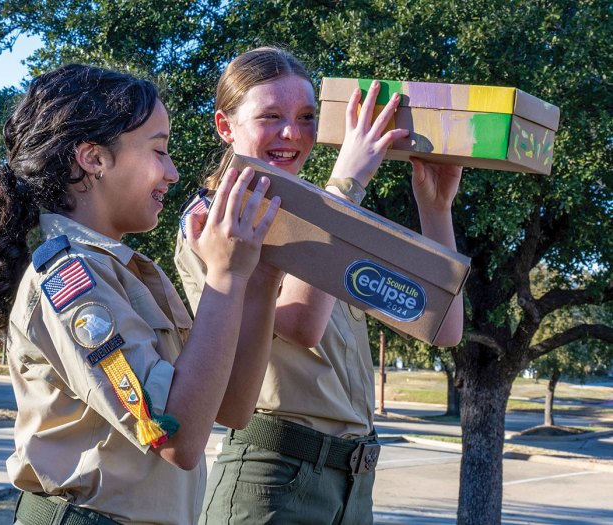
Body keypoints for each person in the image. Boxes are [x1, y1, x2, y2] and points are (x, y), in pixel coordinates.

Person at [0, 63, 283, 525]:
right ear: (94, 159)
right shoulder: (71, 281)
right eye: (159, 151)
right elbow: (176, 439)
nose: (173, 172)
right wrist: (224, 277)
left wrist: (256, 282)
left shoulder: (127, 273)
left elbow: (233, 409)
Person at [174, 47, 464, 524]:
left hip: (353, 481)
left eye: (307, 116)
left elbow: (441, 326)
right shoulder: (213, 220)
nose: (292, 133)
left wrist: (435, 208)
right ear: (226, 127)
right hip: (274, 477)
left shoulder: (329, 214)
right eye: (270, 116)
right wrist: (346, 186)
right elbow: (302, 326)